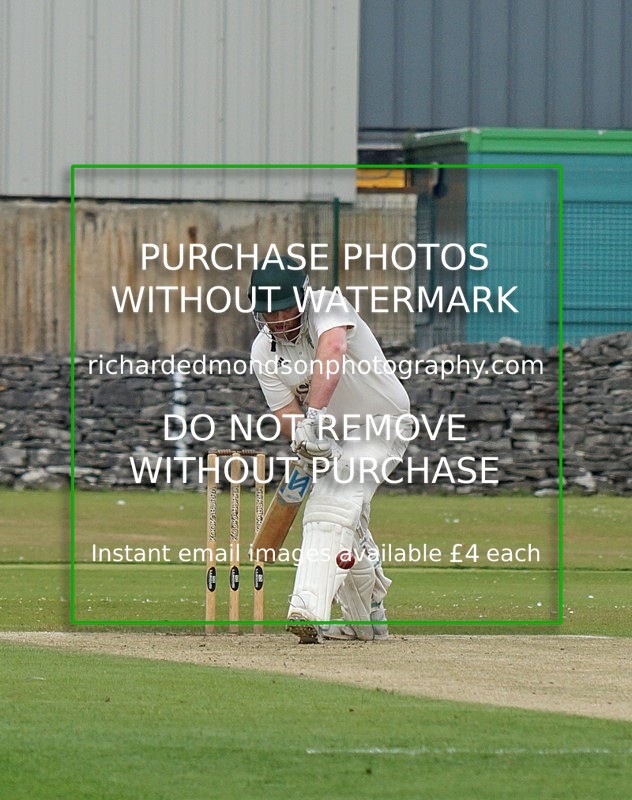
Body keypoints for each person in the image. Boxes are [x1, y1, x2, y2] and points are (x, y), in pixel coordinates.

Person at [248, 255, 411, 643]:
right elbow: (287, 413)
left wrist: (315, 417)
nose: (278, 320)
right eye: (268, 313)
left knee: (331, 504)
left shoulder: (328, 306)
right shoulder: (263, 353)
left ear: (303, 300)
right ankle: (365, 621)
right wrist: (306, 439)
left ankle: (307, 608)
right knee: (345, 523)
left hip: (380, 421)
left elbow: (333, 350)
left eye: (285, 310)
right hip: (333, 437)